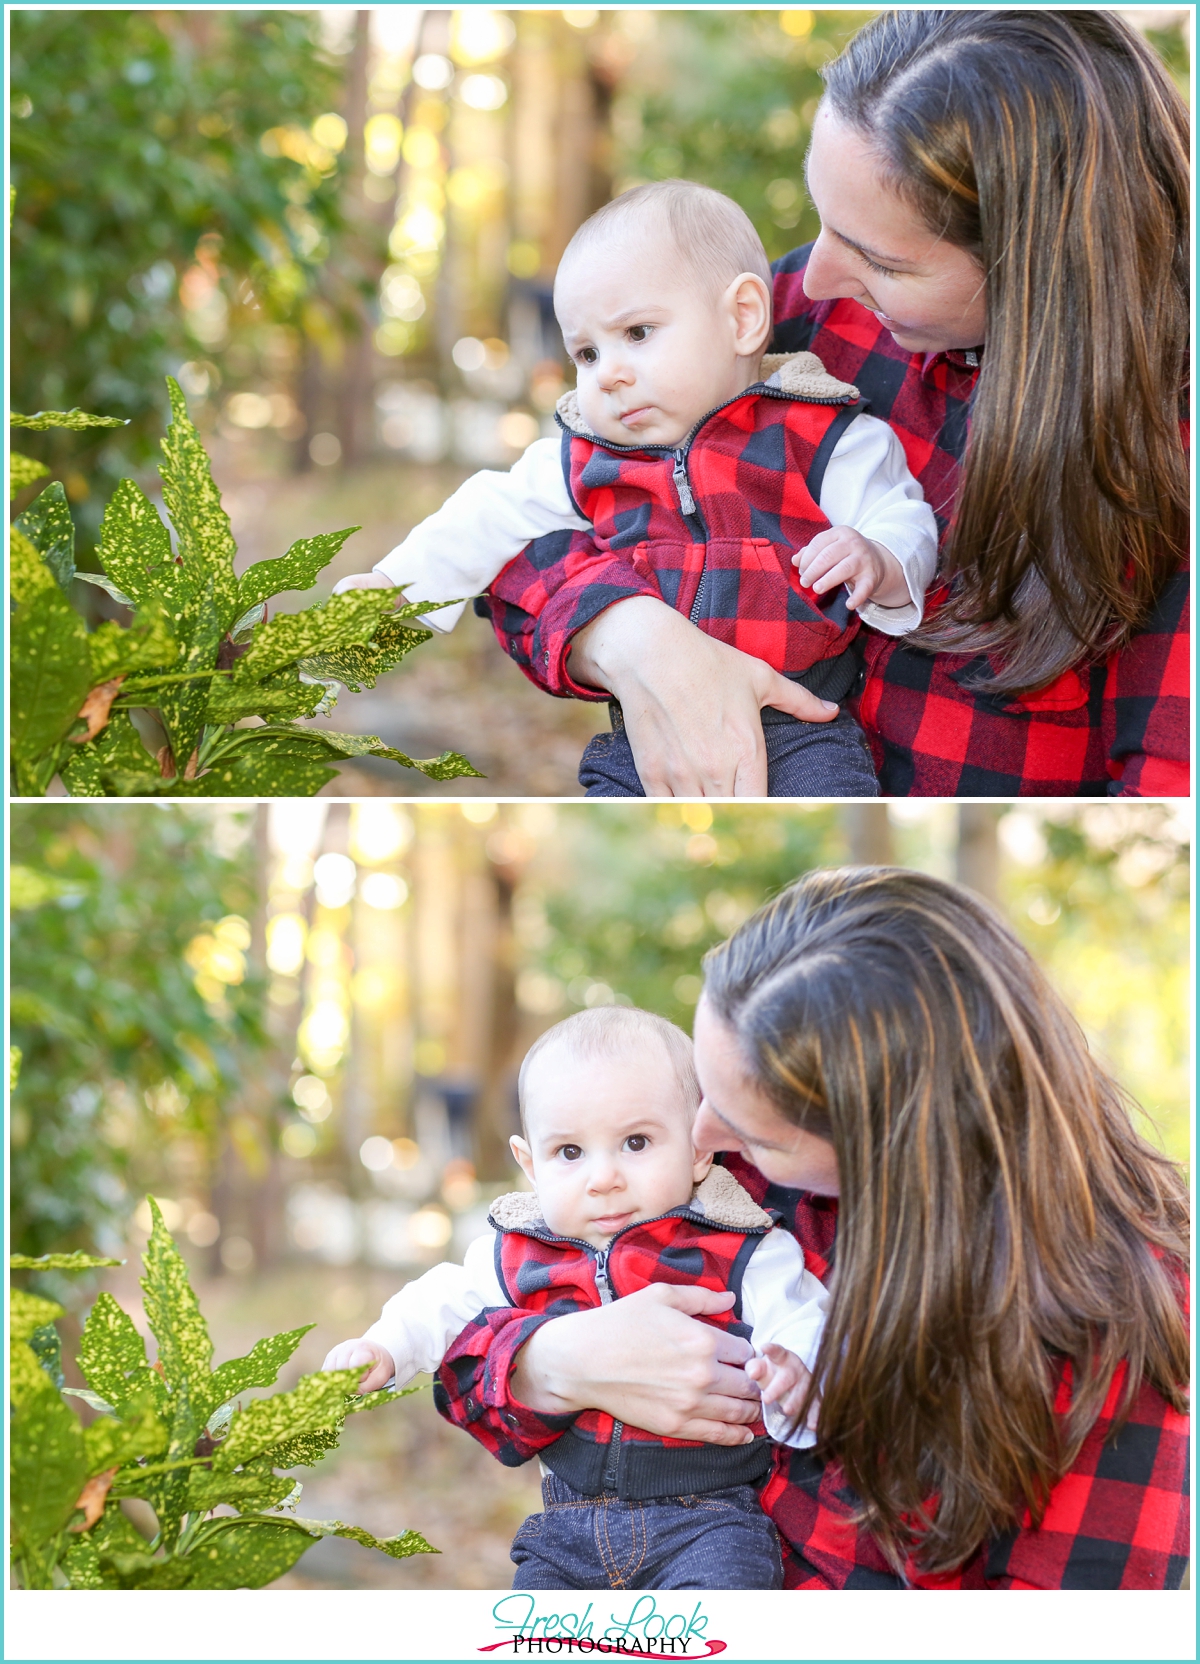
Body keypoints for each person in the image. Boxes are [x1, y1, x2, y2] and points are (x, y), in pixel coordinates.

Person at [477, 9, 1189, 797]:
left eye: (882, 261)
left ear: (1040, 267)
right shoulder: (785, 320)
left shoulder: (1161, 452)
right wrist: (624, 634)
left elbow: (1164, 785)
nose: (814, 277)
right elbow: (521, 534)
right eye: (824, 219)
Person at [434, 869, 1190, 1588]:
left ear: (891, 1147)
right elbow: (468, 1373)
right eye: (706, 1085)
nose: (701, 1135)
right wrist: (557, 1362)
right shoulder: (730, 1186)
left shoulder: (1115, 1322)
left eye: (755, 1132)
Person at [334, 180, 937, 796]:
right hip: (644, 736)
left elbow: (901, 517)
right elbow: (485, 514)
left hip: (805, 725)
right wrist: (394, 586)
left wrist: (880, 558)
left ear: (743, 317)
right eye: (587, 353)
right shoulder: (586, 457)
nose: (611, 374)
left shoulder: (823, 437)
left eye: (638, 333)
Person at [323, 1006, 831, 1590]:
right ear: (530, 1165)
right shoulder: (520, 1250)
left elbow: (802, 1320)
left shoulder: (740, 1246)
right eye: (570, 1153)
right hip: (565, 1526)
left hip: (710, 1523)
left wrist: (795, 1376)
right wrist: (383, 1347)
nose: (603, 1177)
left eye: (635, 1142)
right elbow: (441, 1299)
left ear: (697, 1148)